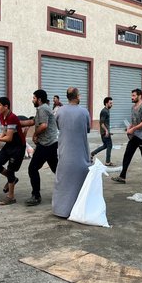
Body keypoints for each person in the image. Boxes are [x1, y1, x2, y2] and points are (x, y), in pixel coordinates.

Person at [52, 87, 91, 218]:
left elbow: (58, 126)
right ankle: (78, 211)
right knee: (81, 180)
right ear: (77, 96)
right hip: (80, 152)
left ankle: (60, 210)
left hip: (64, 152)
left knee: (63, 180)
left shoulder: (59, 111)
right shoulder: (84, 112)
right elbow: (88, 129)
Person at [112, 88, 142, 186]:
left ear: (139, 96)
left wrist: (133, 129)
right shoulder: (133, 107)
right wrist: (130, 127)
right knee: (127, 155)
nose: (132, 97)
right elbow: (134, 122)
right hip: (134, 136)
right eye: (132, 95)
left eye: (134, 95)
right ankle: (122, 176)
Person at [25, 89, 59, 206]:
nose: (32, 100)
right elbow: (34, 121)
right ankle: (70, 190)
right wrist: (19, 123)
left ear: (39, 99)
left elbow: (43, 126)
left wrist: (35, 134)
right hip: (51, 143)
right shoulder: (44, 108)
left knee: (32, 168)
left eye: (34, 98)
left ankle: (36, 196)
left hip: (46, 144)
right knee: (57, 169)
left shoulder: (42, 109)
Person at [0, 97, 27, 205]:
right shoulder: (2, 115)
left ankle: (11, 197)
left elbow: (9, 137)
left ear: (6, 106)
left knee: (11, 170)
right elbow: (4, 132)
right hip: (9, 145)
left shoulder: (12, 117)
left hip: (18, 147)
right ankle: (12, 179)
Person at [91, 97, 115, 165]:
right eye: (110, 103)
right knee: (109, 145)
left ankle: (92, 153)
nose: (111, 104)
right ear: (106, 103)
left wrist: (108, 131)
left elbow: (105, 123)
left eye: (112, 103)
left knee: (105, 145)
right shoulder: (104, 111)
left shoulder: (107, 110)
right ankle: (107, 162)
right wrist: (106, 131)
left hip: (105, 132)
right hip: (104, 132)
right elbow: (101, 123)